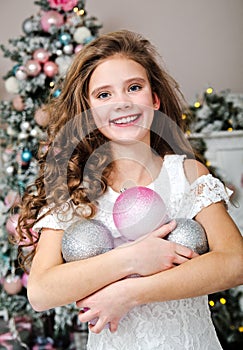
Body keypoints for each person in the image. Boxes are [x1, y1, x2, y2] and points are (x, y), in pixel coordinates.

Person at [17, 30, 243, 350]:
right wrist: (133, 258)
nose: (121, 102)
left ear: (154, 98)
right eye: (103, 95)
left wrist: (129, 293)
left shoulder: (186, 175)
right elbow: (40, 291)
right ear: (89, 111)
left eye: (133, 88)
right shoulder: (75, 190)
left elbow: (235, 262)